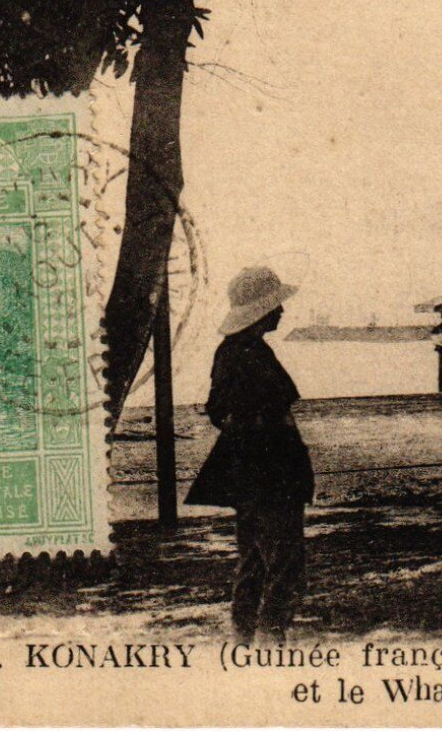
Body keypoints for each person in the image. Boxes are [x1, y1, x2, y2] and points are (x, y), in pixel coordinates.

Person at [186, 266, 315, 644]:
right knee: (286, 563)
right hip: (269, 470)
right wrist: (263, 430)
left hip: (250, 469)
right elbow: (234, 412)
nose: (281, 312)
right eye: (275, 306)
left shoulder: (236, 351)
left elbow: (219, 411)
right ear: (261, 311)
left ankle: (243, 635)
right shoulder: (248, 354)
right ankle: (269, 637)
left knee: (255, 559)